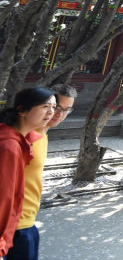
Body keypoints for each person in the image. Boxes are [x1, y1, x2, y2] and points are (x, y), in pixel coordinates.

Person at [9, 83, 74, 260]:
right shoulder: (21, 137)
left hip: (27, 220)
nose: (58, 114)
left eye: (66, 110)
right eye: (55, 107)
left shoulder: (41, 135)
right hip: (14, 224)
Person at [0, 88, 55, 260]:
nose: (51, 112)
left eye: (53, 107)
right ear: (22, 110)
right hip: (15, 226)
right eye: (45, 106)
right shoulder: (9, 146)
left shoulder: (24, 138)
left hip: (24, 222)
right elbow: (4, 196)